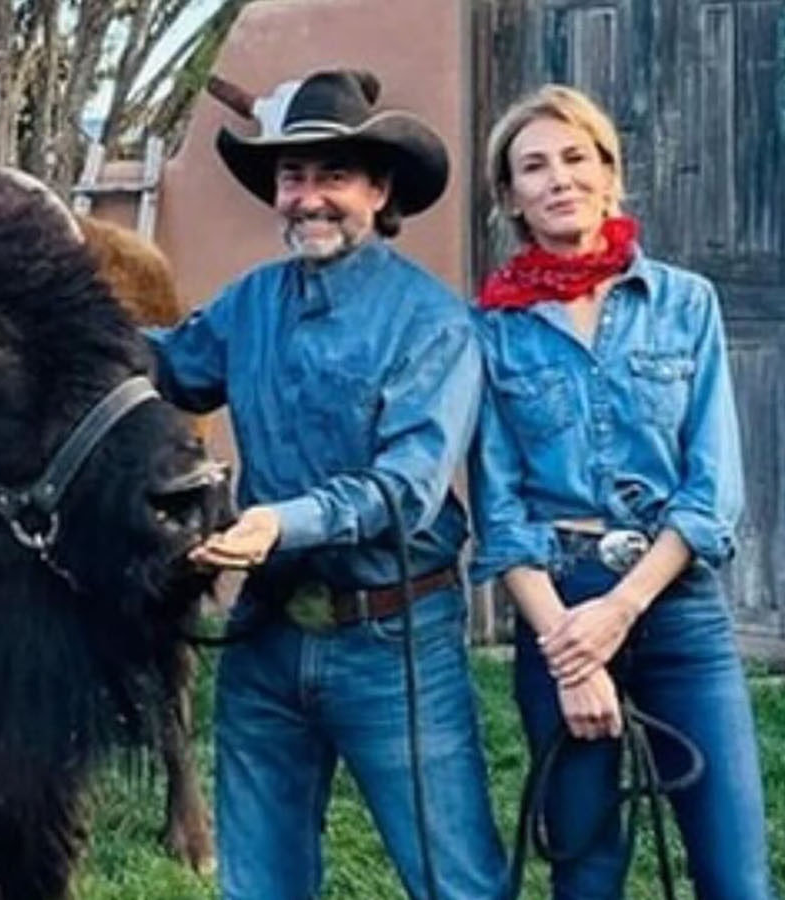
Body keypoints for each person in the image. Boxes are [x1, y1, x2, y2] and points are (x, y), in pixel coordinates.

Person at [145, 68, 506, 900]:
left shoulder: (432, 323)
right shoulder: (252, 304)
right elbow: (167, 362)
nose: (308, 197)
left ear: (380, 192)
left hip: (393, 640)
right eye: (292, 177)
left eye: (332, 176)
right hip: (266, 637)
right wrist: (55, 318)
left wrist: (278, 523)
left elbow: (405, 489)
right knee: (259, 884)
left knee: (457, 884)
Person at [469, 84, 774, 899]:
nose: (558, 178)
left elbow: (711, 488)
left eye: (576, 157)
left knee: (735, 873)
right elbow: (502, 512)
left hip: (674, 602)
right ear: (510, 196)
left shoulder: (684, 303)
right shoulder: (491, 329)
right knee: (587, 865)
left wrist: (623, 609)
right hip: (557, 606)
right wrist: (572, 653)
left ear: (610, 173)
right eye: (533, 166)